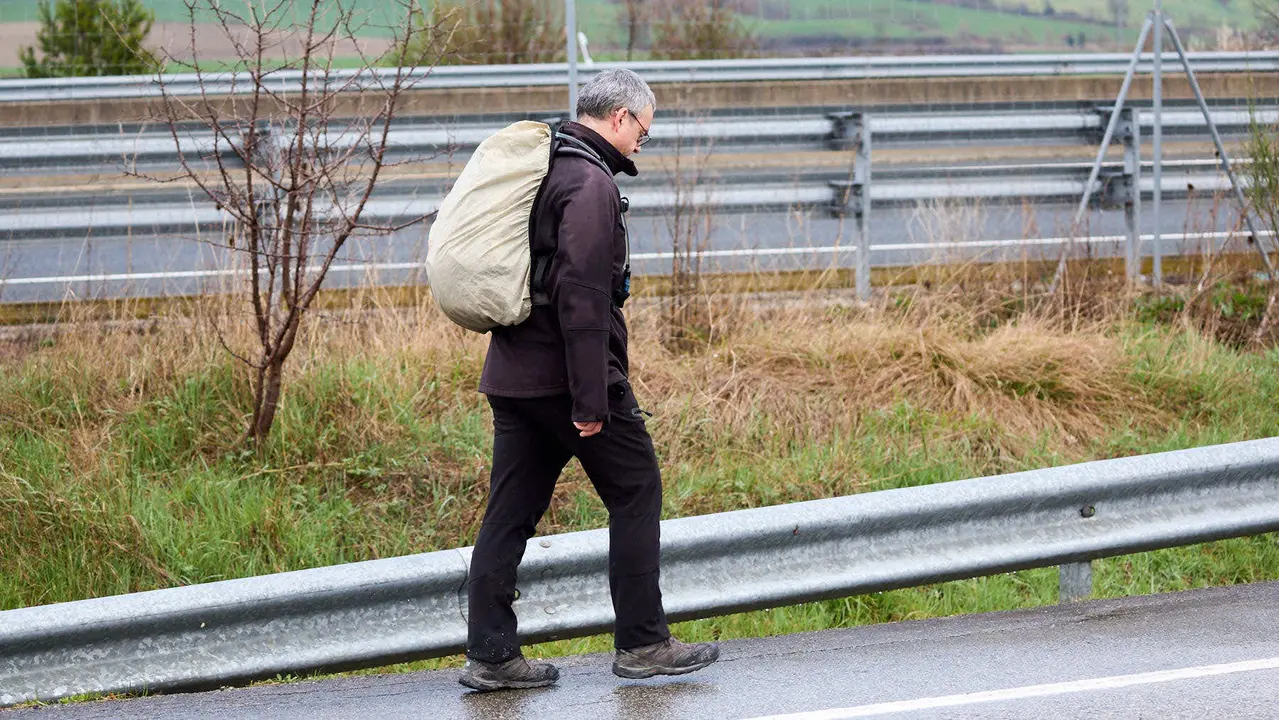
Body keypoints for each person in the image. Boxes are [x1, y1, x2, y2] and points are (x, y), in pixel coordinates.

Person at [459, 68, 720, 692]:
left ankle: (491, 654)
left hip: (514, 373)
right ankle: (643, 644)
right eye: (643, 134)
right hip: (565, 376)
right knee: (636, 490)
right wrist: (590, 397)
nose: (639, 146)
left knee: (510, 512)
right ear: (621, 118)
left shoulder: (547, 165)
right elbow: (581, 296)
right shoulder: (589, 182)